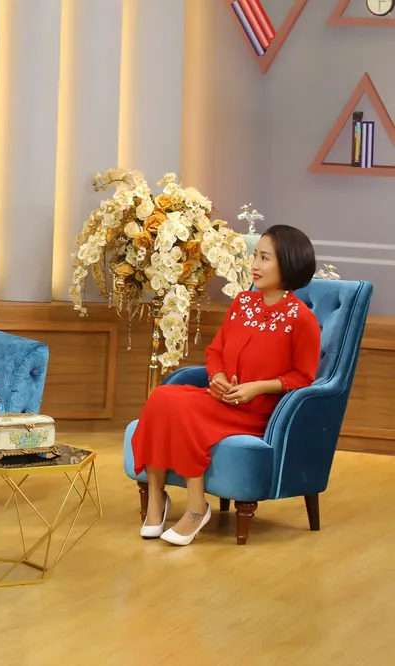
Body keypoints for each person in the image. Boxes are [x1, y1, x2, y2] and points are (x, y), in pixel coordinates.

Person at [132, 224, 321, 546]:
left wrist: (257, 387)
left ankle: (196, 508)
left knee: (182, 409)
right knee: (163, 396)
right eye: (255, 255)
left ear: (288, 263)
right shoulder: (242, 303)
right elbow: (216, 351)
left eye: (264, 258)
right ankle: (156, 499)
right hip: (219, 400)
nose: (254, 265)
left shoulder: (302, 319)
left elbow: (303, 377)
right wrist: (217, 377)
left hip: (255, 413)